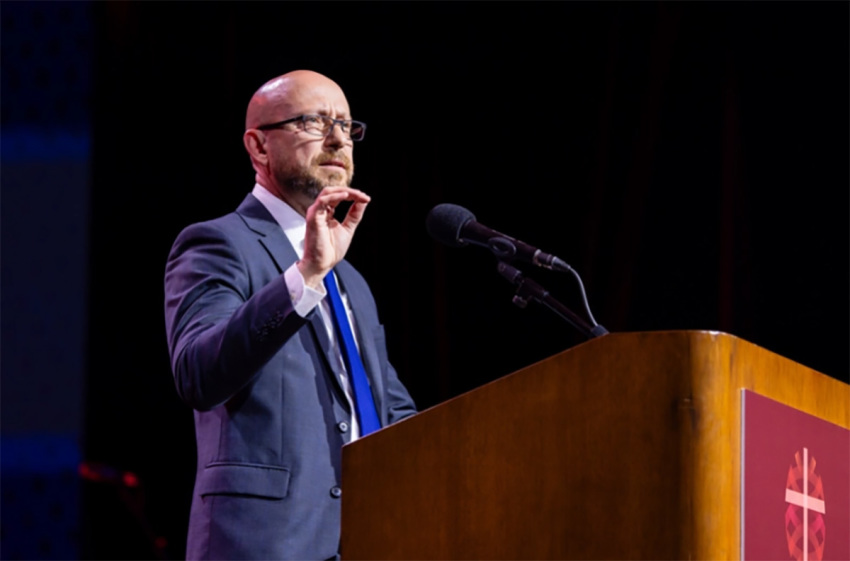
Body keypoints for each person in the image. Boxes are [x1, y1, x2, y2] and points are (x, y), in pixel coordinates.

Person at [164, 69, 417, 560]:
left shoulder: (354, 283)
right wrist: (304, 276)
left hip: (366, 538)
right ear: (259, 147)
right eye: (314, 122)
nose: (338, 139)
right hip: (264, 544)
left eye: (346, 126)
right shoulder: (218, 244)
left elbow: (389, 413)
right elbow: (198, 372)